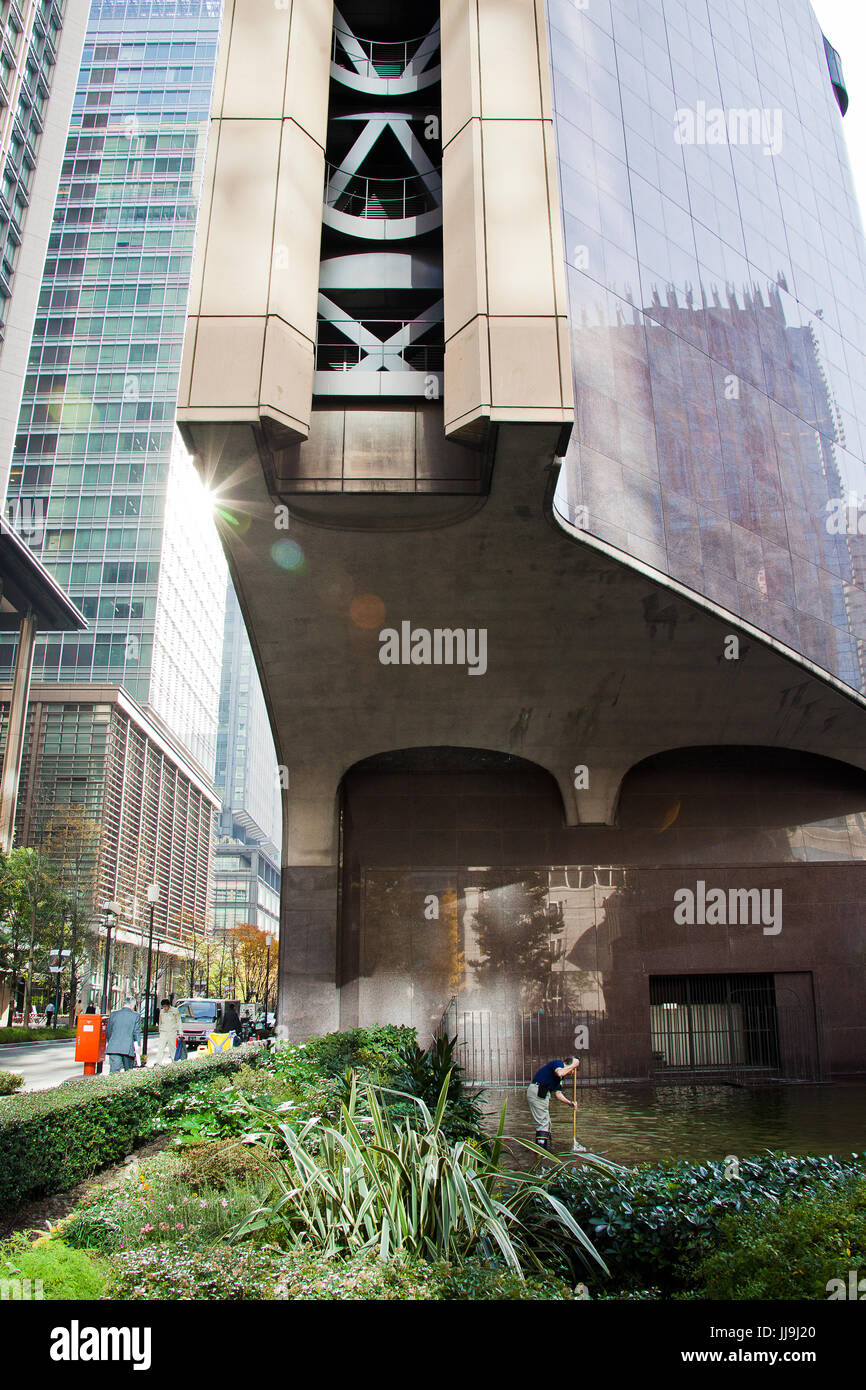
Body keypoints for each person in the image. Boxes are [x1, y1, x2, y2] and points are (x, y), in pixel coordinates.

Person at [526, 1056, 581, 1151]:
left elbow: (558, 1094)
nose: (572, 1073)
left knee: (547, 1124)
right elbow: (560, 1072)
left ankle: (545, 1149)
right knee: (543, 1123)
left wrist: (569, 1103)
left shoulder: (560, 1078)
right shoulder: (558, 1064)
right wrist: (573, 1065)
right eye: (574, 1070)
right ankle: (541, 1153)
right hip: (537, 1091)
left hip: (543, 1093)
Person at [105, 996, 142, 1073]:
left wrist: (110, 1041)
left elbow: (108, 1031)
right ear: (132, 1005)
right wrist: (138, 1046)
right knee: (128, 1073)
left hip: (114, 1047)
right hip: (128, 1048)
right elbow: (136, 1032)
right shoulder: (135, 1016)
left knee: (114, 1072)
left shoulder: (113, 1014)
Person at [155, 997, 182, 1065]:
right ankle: (158, 1062)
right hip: (163, 1032)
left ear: (169, 1005)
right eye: (163, 1007)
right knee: (161, 1047)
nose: (165, 1008)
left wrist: (180, 1031)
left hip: (172, 1032)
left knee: (172, 1048)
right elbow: (160, 1021)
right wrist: (159, 1030)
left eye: (166, 1006)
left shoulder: (175, 1011)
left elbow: (179, 1021)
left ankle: (174, 1062)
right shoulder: (161, 1011)